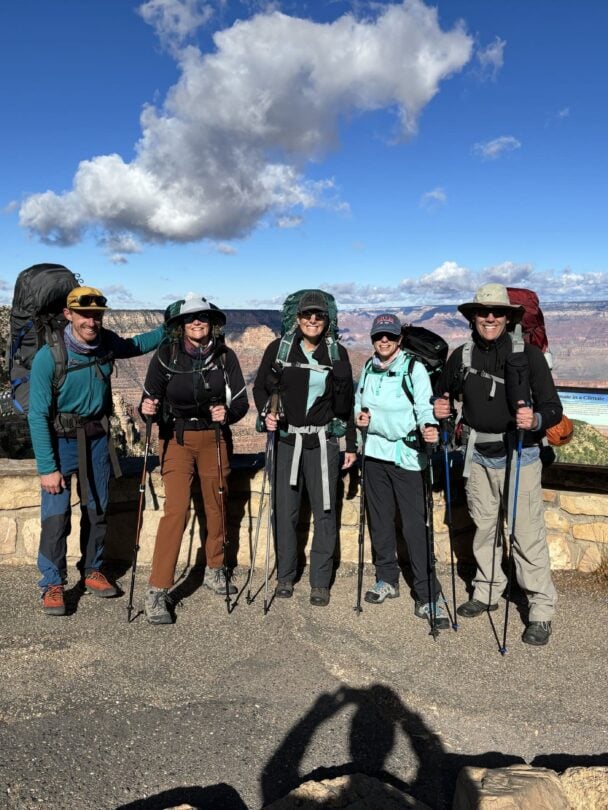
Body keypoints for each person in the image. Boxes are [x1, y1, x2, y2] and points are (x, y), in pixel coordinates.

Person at [433, 283, 562, 646]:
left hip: (521, 454)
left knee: (526, 536)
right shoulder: (462, 356)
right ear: (473, 316)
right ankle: (487, 590)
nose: (490, 318)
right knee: (485, 529)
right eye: (483, 312)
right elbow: (442, 395)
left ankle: (540, 610)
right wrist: (440, 408)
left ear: (508, 317)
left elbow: (553, 408)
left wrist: (535, 420)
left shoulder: (528, 356)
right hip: (477, 455)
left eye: (497, 312)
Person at [28, 285, 167, 616]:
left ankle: (92, 569)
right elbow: (37, 415)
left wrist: (169, 328)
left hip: (97, 441)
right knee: (56, 517)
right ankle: (52, 583)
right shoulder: (50, 356)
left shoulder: (106, 342)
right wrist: (47, 468)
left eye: (96, 315)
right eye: (84, 315)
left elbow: (135, 345)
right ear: (68, 315)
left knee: (97, 509)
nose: (91, 321)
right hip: (61, 442)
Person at [140, 294, 249, 625]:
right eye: (190, 318)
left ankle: (215, 568)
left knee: (216, 506)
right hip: (177, 439)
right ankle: (158, 588)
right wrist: (146, 410)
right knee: (176, 510)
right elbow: (148, 400)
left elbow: (241, 403)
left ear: (211, 322)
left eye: (202, 316)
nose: (197, 322)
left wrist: (226, 414)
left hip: (214, 439)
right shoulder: (166, 355)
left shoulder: (225, 357)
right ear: (181, 325)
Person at [253, 290, 356, 607]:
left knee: (325, 512)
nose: (312, 320)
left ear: (327, 320)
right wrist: (266, 415)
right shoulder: (279, 349)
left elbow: (345, 406)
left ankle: (320, 582)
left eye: (319, 315)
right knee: (285, 511)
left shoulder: (336, 353)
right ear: (297, 318)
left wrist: (350, 443)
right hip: (287, 441)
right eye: (307, 315)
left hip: (323, 443)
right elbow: (260, 387)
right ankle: (285, 576)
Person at [355, 313, 448, 628]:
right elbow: (359, 403)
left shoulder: (413, 368)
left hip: (406, 456)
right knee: (380, 521)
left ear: (399, 339)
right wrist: (358, 420)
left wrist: (429, 426)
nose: (384, 341)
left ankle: (428, 594)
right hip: (374, 454)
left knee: (414, 527)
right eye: (379, 336)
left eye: (390, 336)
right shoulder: (368, 368)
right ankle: (387, 579)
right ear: (372, 338)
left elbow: (423, 406)